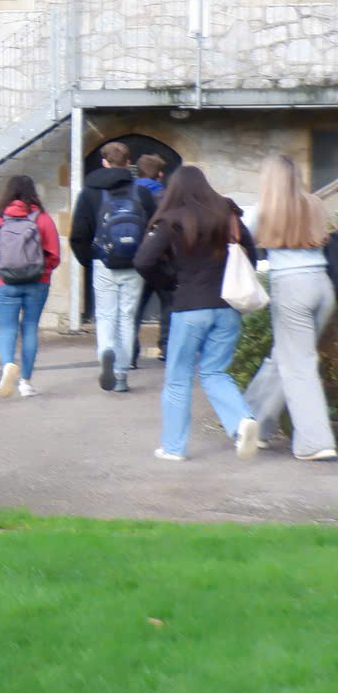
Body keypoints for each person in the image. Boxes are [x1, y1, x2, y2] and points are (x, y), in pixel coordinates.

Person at [134, 165, 261, 463]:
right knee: (215, 372)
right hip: (227, 307)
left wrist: (170, 282)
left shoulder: (171, 220)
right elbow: (251, 255)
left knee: (178, 378)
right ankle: (242, 421)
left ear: (175, 189)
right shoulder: (228, 215)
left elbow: (143, 261)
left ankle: (174, 447)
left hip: (190, 306)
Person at [242, 153, 338, 462]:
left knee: (298, 364)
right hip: (321, 284)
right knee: (284, 358)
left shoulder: (262, 210)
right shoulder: (312, 204)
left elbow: (244, 243)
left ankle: (314, 441)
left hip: (291, 285)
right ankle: (254, 423)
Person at [68, 142, 154, 395]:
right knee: (127, 317)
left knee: (106, 315)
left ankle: (106, 350)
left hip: (103, 261)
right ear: (129, 163)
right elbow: (154, 229)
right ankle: (121, 374)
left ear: (104, 162)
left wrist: (89, 259)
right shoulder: (142, 194)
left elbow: (78, 233)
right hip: (134, 263)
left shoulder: (90, 193)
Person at [0, 175, 62, 399]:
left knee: (7, 328)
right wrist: (43, 270)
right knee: (30, 329)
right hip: (37, 282)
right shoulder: (43, 218)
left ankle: (8, 364)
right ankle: (26, 382)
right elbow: (54, 255)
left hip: (6, 282)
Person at [129, 154, 170, 371]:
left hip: (136, 260)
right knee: (169, 304)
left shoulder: (129, 193)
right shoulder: (167, 196)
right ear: (160, 174)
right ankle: (167, 348)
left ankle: (131, 354)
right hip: (163, 259)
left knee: (134, 308)